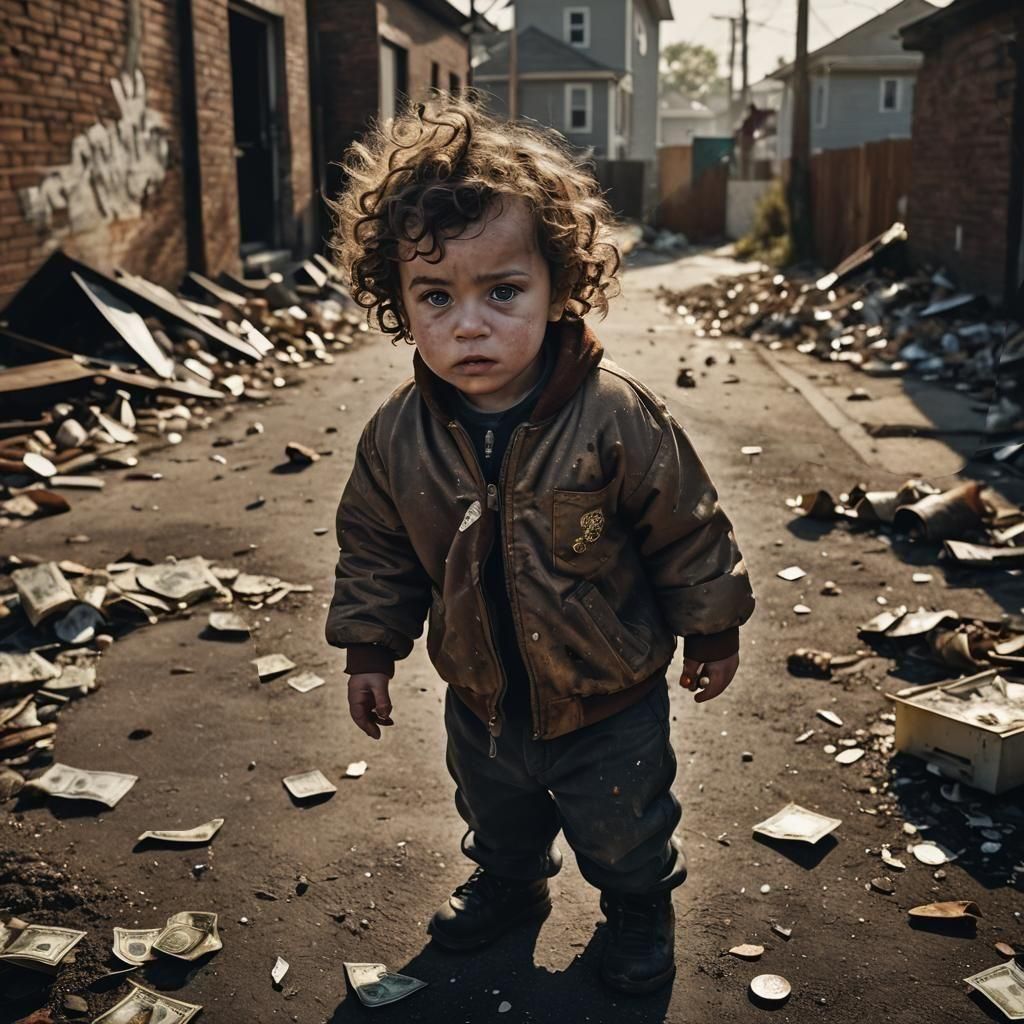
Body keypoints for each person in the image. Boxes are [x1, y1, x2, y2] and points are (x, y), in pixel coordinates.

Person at [325, 97, 755, 995]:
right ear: (399, 303)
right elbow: (374, 548)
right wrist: (370, 648)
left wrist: (713, 629)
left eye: (503, 292)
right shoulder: (398, 436)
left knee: (626, 827)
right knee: (497, 814)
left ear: (559, 285)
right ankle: (511, 885)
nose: (469, 325)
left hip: (609, 696)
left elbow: (687, 527)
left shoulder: (613, 416)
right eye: (435, 296)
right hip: (482, 699)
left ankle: (639, 910)